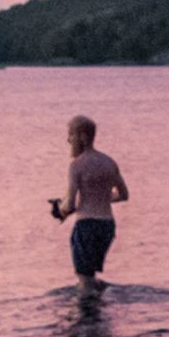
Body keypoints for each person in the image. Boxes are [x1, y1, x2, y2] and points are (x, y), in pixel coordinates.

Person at [51, 114, 131, 287]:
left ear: (82, 136)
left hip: (86, 226)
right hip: (107, 226)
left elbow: (70, 204)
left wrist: (59, 208)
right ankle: (99, 305)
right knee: (90, 276)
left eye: (71, 135)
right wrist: (99, 197)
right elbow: (124, 195)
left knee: (84, 280)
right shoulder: (109, 162)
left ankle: (89, 310)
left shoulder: (76, 165)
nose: (68, 140)